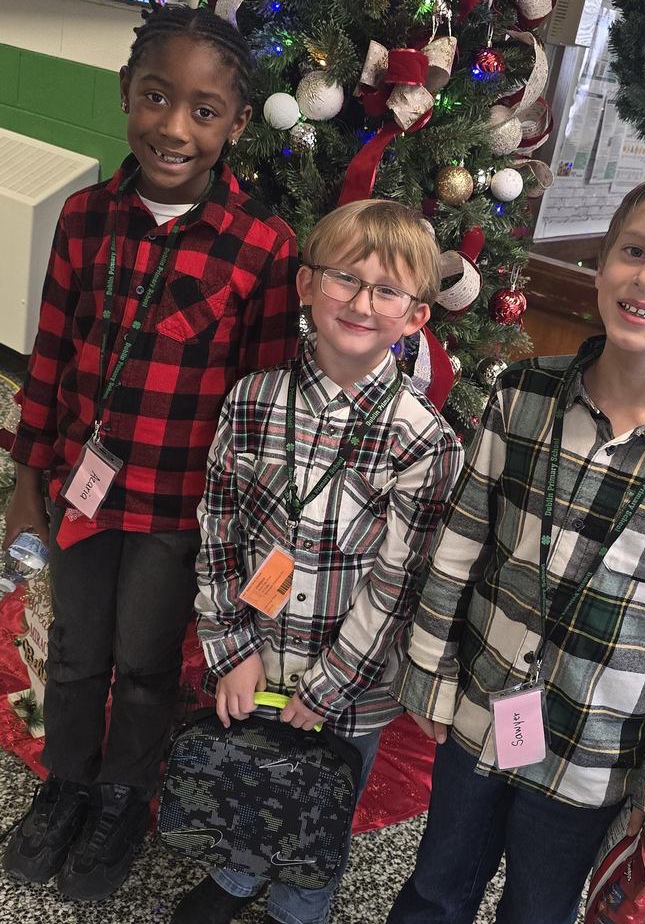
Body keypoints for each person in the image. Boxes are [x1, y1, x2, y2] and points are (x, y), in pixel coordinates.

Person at [387, 163, 645, 924]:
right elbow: (460, 543)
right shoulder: (519, 395)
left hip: (593, 759)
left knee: (541, 909)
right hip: (479, 711)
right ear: (602, 264)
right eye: (633, 250)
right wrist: (429, 665)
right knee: (436, 888)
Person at [2, 1, 299, 902]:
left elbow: (259, 410)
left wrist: (243, 536)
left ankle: (124, 795)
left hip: (182, 514)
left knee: (144, 662)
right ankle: (70, 783)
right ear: (126, 92)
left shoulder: (262, 249)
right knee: (76, 646)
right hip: (82, 497)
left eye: (204, 110)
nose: (174, 127)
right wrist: (26, 481)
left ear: (236, 124)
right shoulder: (86, 218)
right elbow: (50, 356)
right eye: (156, 98)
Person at [172, 199, 464, 924]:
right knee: (247, 777)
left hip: (352, 688)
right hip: (256, 655)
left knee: (321, 802)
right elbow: (217, 536)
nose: (362, 302)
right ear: (306, 286)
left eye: (387, 290)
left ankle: (302, 903)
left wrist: (332, 686)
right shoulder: (250, 403)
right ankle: (236, 876)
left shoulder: (426, 442)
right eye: (344, 279)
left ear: (415, 318)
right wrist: (231, 648)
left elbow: (400, 584)